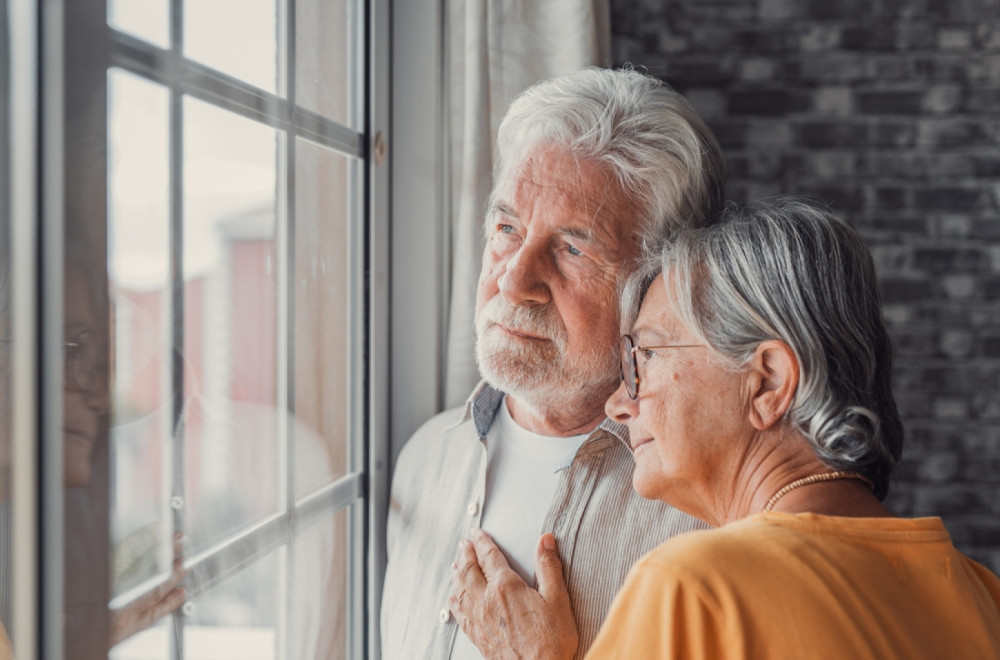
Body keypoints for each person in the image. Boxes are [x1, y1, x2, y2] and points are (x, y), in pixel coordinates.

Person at [449, 198, 1000, 659]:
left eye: (645, 358)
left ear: (767, 383)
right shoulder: (980, 593)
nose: (619, 402)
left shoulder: (693, 589)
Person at [381, 66, 726, 660]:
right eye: (507, 227)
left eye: (572, 248)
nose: (514, 281)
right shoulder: (424, 459)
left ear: (658, 286)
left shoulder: (709, 522)